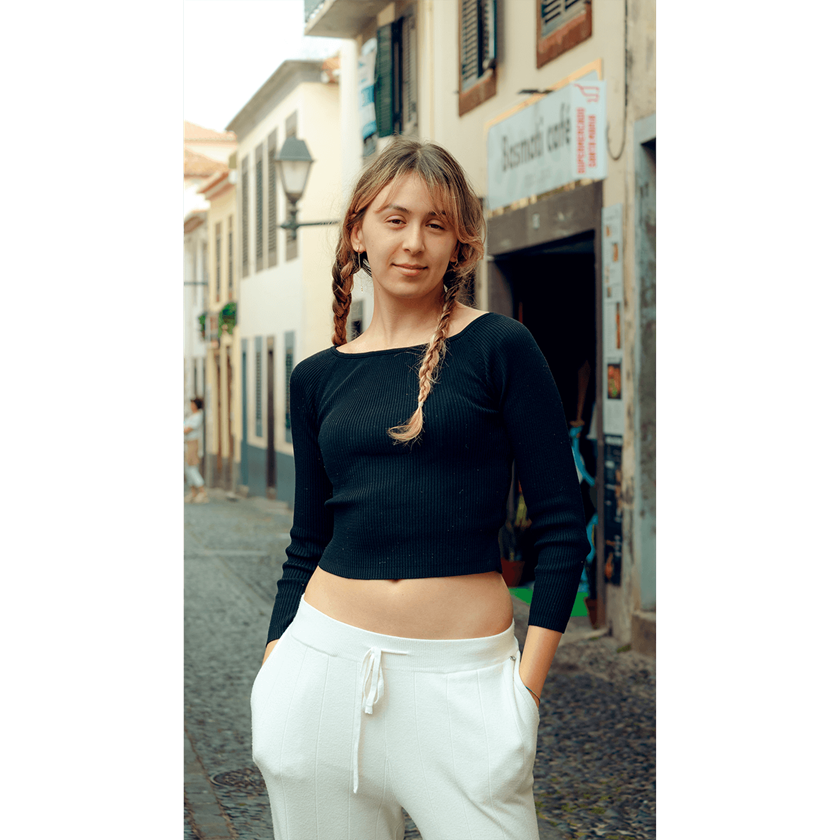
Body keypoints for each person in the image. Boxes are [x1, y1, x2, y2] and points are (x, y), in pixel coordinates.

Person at [250, 137, 590, 839]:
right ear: (358, 232)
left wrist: (522, 696)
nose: (414, 242)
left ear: (458, 244)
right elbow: (307, 539)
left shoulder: (500, 347)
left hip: (463, 689)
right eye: (395, 219)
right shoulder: (316, 377)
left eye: (436, 224)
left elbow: (563, 524)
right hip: (319, 675)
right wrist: (273, 668)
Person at [183, 398, 208, 504]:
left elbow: (187, 429)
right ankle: (193, 492)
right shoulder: (191, 416)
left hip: (193, 443)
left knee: (192, 467)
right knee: (187, 467)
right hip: (188, 443)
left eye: (192, 404)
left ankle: (202, 492)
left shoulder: (198, 416)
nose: (191, 406)